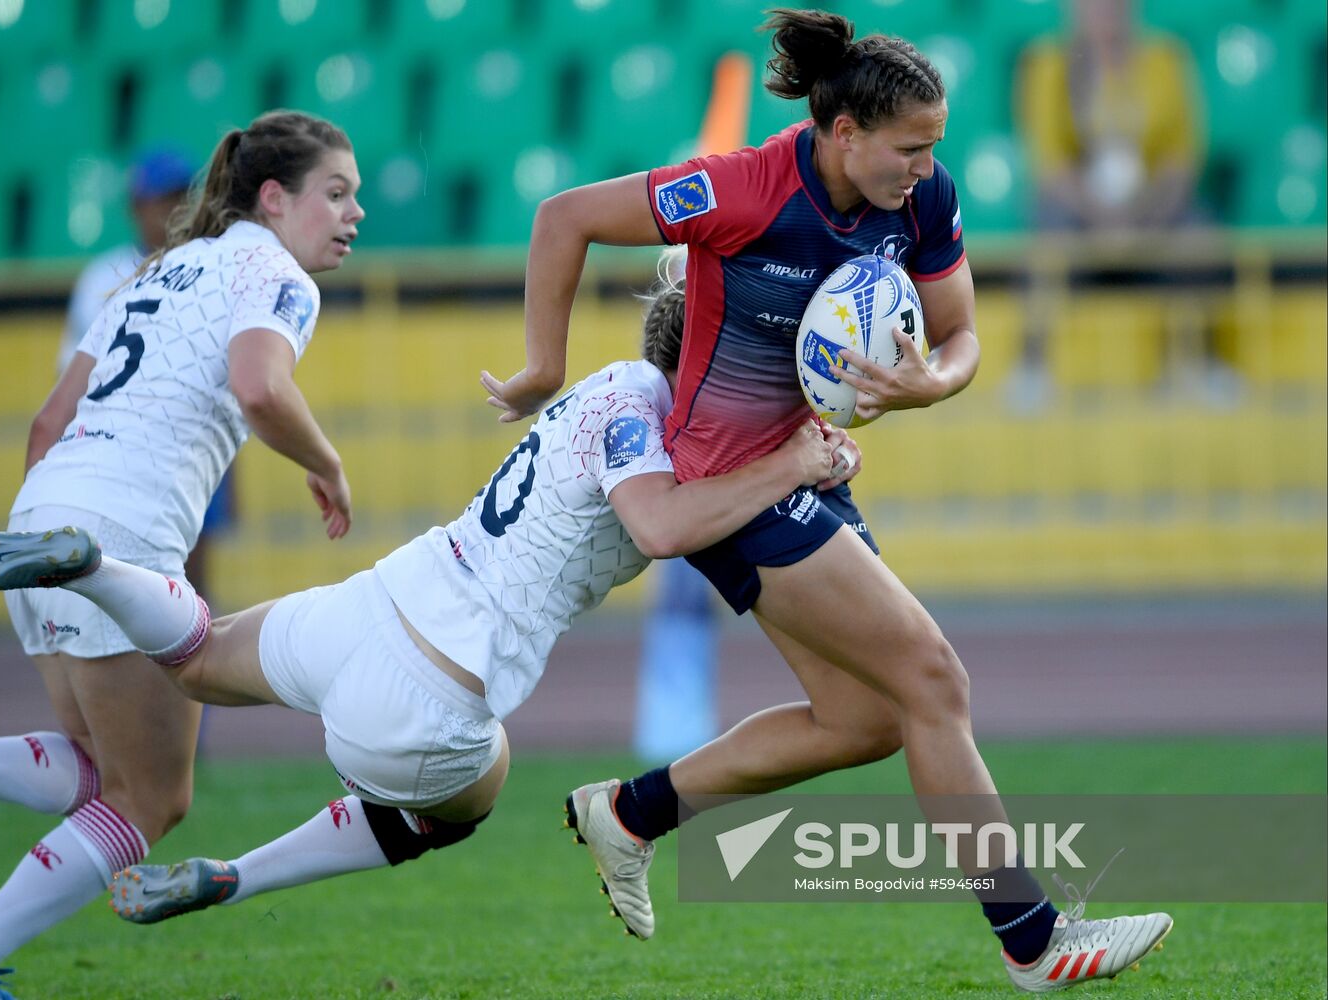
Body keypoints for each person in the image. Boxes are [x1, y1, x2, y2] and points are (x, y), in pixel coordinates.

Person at [482, 9, 1172, 993]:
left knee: (865, 720)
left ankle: (630, 812)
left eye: (933, 147)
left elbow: (961, 332)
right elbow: (564, 218)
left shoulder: (921, 199)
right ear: (842, 134)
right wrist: (538, 366)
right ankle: (1033, 939)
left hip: (808, 471)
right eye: (908, 148)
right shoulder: (742, 189)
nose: (923, 168)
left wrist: (933, 381)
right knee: (932, 678)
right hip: (732, 488)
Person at [0, 257, 851, 940]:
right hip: (434, 696)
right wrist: (801, 461)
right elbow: (660, 526)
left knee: (200, 659)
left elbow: (693, 495)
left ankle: (92, 567)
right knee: (462, 804)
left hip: (369, 605)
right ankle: (237, 879)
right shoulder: (649, 421)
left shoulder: (606, 390)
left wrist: (792, 454)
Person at [0, 110, 361, 1000]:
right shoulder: (276, 274)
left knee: (99, 766)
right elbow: (258, 386)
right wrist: (327, 463)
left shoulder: (151, 271)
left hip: (43, 504)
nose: (354, 214)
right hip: (122, 533)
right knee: (152, 799)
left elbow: (49, 421)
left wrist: (46, 511)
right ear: (274, 199)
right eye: (337, 193)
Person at [1005, 0, 1212, 411]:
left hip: (1152, 206)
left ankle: (1200, 362)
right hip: (1079, 210)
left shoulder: (1165, 57)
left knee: (1198, 235)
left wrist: (1145, 215)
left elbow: (1182, 155)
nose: (1104, 10)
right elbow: (1049, 164)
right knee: (1046, 235)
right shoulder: (1047, 63)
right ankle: (1033, 366)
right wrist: (1104, 217)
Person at [57, 147, 238, 596]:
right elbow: (73, 375)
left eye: (183, 196)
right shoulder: (104, 276)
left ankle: (194, 654)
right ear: (136, 206)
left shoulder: (214, 261)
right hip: (123, 439)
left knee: (194, 571)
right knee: (128, 574)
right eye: (163, 198)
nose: (176, 208)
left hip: (195, 433)